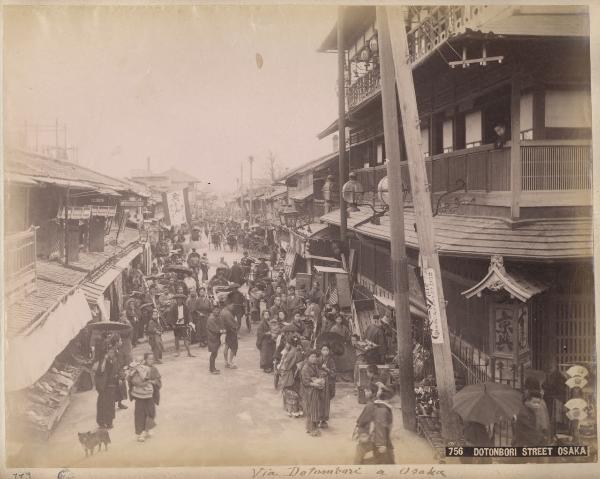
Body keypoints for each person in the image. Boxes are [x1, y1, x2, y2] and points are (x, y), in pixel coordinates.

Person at [354, 385, 395, 464]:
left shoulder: (374, 404)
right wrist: (381, 444)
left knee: (363, 452)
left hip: (370, 434)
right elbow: (380, 425)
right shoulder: (382, 409)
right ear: (388, 399)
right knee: (386, 459)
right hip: (375, 436)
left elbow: (362, 419)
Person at [129, 352, 162, 442]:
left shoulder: (154, 369)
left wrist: (154, 382)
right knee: (139, 413)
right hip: (139, 395)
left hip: (150, 395)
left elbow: (158, 381)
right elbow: (132, 379)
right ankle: (141, 433)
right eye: (149, 359)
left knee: (151, 412)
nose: (151, 360)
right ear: (145, 360)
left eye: (152, 359)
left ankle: (148, 428)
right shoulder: (138, 368)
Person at [300, 349, 324, 436]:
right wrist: (314, 384)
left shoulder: (315, 366)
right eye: (312, 357)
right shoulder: (305, 368)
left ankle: (314, 427)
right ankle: (311, 429)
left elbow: (318, 375)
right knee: (311, 410)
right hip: (308, 391)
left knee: (315, 409)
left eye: (315, 357)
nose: (314, 358)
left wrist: (320, 380)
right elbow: (305, 382)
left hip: (315, 390)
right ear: (307, 358)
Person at [278, 336, 304, 418]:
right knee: (297, 390)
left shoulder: (291, 353)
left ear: (290, 344)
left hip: (291, 373)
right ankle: (298, 409)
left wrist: (280, 367)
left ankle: (291, 410)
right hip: (298, 372)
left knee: (289, 391)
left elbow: (285, 365)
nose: (286, 344)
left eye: (287, 343)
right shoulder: (299, 351)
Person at [95, 345, 119, 429]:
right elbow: (100, 371)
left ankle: (109, 422)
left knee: (110, 405)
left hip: (111, 386)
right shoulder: (103, 361)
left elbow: (118, 371)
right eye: (109, 352)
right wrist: (105, 360)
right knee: (101, 404)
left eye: (112, 352)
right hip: (103, 386)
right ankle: (101, 422)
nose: (111, 354)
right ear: (106, 353)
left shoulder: (115, 360)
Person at [168, 294, 195, 358]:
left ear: (182, 300)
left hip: (183, 324)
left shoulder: (185, 307)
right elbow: (170, 316)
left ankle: (189, 352)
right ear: (176, 300)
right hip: (176, 325)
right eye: (178, 299)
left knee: (185, 339)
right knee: (176, 339)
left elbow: (189, 315)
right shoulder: (173, 307)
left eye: (180, 299)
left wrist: (190, 321)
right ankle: (178, 352)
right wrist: (172, 324)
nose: (179, 300)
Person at [318, 345, 336, 429]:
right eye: (323, 349)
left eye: (327, 349)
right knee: (318, 400)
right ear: (321, 351)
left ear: (329, 351)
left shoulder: (331, 361)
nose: (325, 351)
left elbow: (334, 373)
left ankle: (324, 420)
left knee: (325, 401)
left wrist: (327, 369)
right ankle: (317, 418)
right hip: (318, 382)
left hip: (327, 383)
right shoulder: (318, 359)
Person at [221, 294, 240, 369]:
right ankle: (230, 362)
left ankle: (226, 362)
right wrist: (236, 327)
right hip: (230, 332)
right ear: (228, 305)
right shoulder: (227, 313)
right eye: (232, 305)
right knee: (233, 347)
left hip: (225, 332)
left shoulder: (223, 311)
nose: (233, 307)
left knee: (226, 346)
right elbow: (232, 324)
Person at [207, 304, 226, 374]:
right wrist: (222, 331)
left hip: (215, 338)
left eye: (218, 310)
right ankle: (211, 369)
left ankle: (213, 368)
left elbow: (221, 325)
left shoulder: (216, 317)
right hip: (212, 338)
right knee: (213, 353)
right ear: (212, 311)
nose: (217, 311)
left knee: (215, 353)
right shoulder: (211, 319)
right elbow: (215, 329)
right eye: (215, 310)